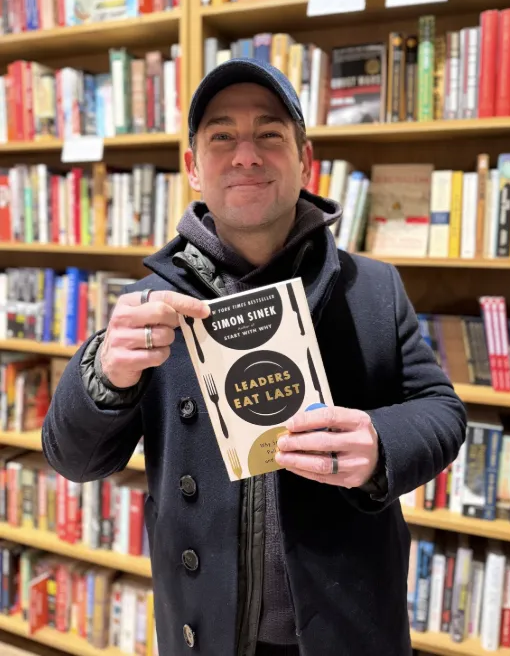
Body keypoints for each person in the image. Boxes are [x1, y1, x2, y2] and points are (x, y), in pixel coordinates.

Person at [42, 58, 467, 656]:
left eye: (269, 134)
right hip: (206, 631)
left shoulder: (372, 289)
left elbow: (442, 410)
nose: (246, 155)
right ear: (192, 167)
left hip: (349, 624)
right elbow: (73, 458)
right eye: (222, 137)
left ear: (305, 159)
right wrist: (106, 373)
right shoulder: (149, 306)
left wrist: (380, 443)